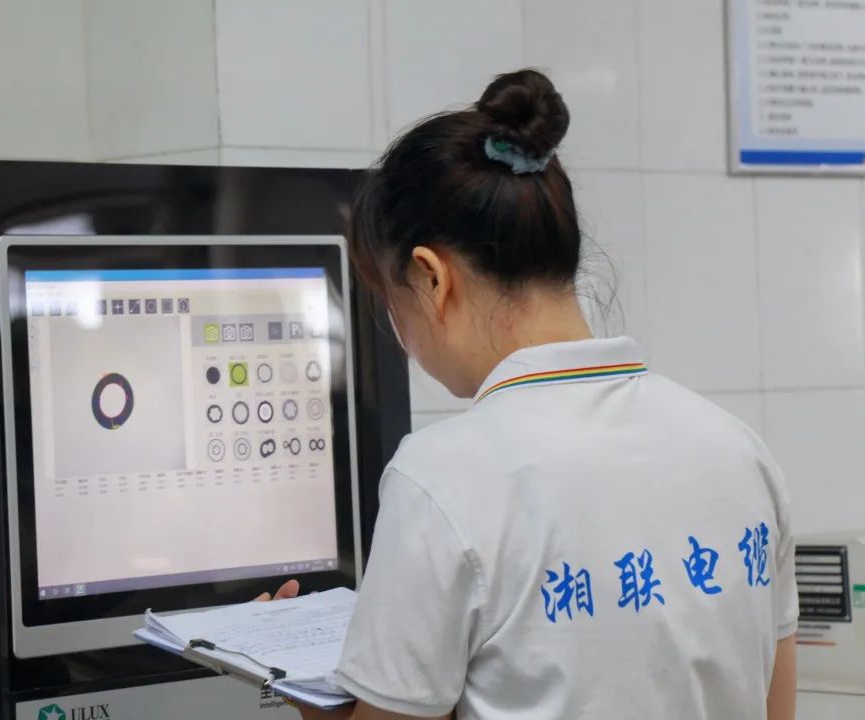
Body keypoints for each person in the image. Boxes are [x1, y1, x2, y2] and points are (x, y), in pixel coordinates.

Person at [262, 69, 798, 720]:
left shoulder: (441, 478)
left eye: (389, 303)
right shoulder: (738, 451)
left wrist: (297, 688)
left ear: (431, 278)